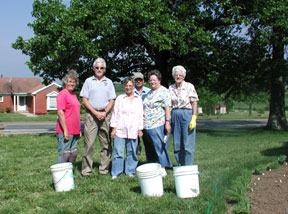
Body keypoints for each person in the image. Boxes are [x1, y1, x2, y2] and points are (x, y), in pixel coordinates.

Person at [80, 58, 116, 176]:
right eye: (97, 67)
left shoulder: (109, 82)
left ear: (104, 69)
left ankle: (104, 169)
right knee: (89, 143)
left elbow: (112, 100)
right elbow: (84, 100)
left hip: (105, 115)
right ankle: (86, 170)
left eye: (101, 68)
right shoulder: (88, 81)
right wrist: (95, 113)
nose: (99, 70)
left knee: (105, 143)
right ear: (93, 69)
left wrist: (105, 112)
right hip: (91, 115)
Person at [110, 77, 143, 180]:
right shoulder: (120, 98)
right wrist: (113, 128)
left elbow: (140, 115)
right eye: (126, 86)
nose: (128, 88)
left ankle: (130, 171)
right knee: (118, 152)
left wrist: (140, 129)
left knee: (132, 152)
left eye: (130, 86)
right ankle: (116, 172)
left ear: (133, 86)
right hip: (120, 128)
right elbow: (115, 114)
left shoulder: (138, 99)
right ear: (124, 86)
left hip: (133, 128)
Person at [142, 69, 172, 177]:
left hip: (157, 124)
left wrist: (167, 122)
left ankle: (163, 167)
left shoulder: (164, 91)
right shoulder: (149, 93)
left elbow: (167, 108)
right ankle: (153, 166)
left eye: (154, 80)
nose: (152, 82)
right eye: (150, 80)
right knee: (150, 148)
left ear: (159, 80)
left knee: (159, 147)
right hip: (146, 126)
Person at [169, 65, 199, 166]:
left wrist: (193, 118)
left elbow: (194, 102)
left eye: (180, 75)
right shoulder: (171, 88)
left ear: (184, 76)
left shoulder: (189, 86)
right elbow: (169, 104)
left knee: (187, 143)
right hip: (175, 113)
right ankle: (180, 165)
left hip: (187, 113)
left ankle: (188, 165)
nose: (178, 77)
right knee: (177, 143)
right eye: (176, 75)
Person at [56, 70, 81, 164]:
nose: (72, 83)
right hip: (65, 130)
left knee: (74, 153)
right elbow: (60, 113)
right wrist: (65, 131)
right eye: (70, 81)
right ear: (65, 82)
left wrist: (78, 130)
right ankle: (60, 175)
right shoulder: (62, 94)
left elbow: (76, 113)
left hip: (75, 130)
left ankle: (69, 172)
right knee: (65, 154)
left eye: (74, 82)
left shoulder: (74, 95)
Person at [132, 72, 150, 155]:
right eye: (136, 80)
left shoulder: (149, 91)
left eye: (140, 80)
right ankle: (135, 158)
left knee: (149, 141)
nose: (138, 81)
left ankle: (152, 160)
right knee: (135, 141)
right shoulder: (130, 92)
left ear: (143, 81)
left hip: (147, 118)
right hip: (134, 119)